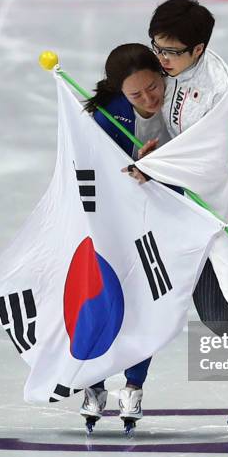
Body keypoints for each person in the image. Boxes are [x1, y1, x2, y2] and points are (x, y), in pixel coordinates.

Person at [125, 0, 228, 440]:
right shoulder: (174, 69)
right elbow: (164, 126)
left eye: (171, 51)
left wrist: (155, 167)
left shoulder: (218, 91)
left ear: (198, 49)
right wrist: (153, 143)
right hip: (198, 194)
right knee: (212, 307)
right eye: (156, 46)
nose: (161, 59)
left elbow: (210, 161)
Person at [79, 43, 178, 433]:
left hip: (162, 222)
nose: (149, 98)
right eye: (136, 94)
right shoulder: (106, 119)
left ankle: (134, 385)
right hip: (115, 225)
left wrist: (163, 169)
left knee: (148, 303)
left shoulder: (182, 107)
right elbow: (89, 172)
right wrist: (131, 168)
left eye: (154, 87)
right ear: (120, 93)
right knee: (107, 302)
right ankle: (95, 379)